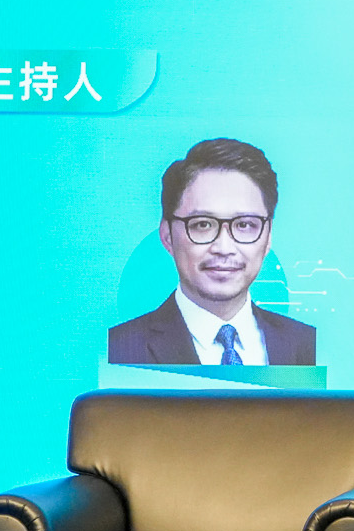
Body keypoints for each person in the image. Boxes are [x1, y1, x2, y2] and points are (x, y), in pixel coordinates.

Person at [108, 138, 316, 365]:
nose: (224, 248)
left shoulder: (308, 346)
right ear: (167, 235)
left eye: (244, 225)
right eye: (203, 224)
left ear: (268, 237)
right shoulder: (118, 350)